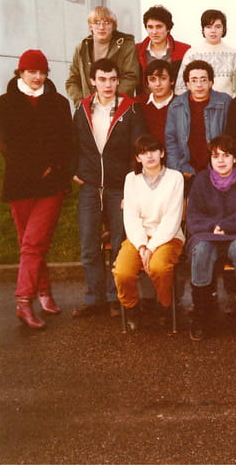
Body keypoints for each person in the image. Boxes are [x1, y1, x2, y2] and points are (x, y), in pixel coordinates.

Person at [0, 49, 72, 329]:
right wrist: (35, 168)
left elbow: (67, 141)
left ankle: (23, 301)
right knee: (29, 244)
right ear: (20, 72)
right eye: (31, 72)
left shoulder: (59, 103)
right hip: (21, 184)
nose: (37, 77)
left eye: (42, 72)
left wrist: (54, 167)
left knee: (34, 243)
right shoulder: (3, 103)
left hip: (51, 183)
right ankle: (44, 291)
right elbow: (6, 144)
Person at [71, 58, 147, 318]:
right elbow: (74, 142)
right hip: (91, 186)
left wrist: (132, 181)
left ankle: (117, 298)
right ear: (93, 81)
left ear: (118, 81)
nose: (108, 85)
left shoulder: (131, 109)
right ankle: (95, 298)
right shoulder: (82, 108)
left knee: (119, 243)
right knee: (89, 244)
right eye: (102, 79)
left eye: (112, 79)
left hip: (119, 187)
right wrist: (75, 171)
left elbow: (139, 147)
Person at [186, 135, 236, 340]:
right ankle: (200, 315)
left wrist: (226, 226)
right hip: (208, 234)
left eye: (226, 155)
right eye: (215, 156)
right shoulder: (201, 180)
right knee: (201, 250)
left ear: (235, 158)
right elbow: (193, 216)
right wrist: (213, 227)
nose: (221, 160)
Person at [112, 134, 184, 331]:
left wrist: (151, 248)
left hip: (168, 237)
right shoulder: (131, 180)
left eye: (153, 150)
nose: (149, 156)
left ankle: (165, 307)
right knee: (122, 272)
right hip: (138, 238)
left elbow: (172, 219)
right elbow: (131, 217)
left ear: (162, 153)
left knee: (159, 268)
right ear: (138, 158)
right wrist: (142, 246)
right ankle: (132, 309)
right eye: (143, 153)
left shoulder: (175, 178)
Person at [165, 59, 230, 191]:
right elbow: (171, 139)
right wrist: (177, 168)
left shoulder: (225, 102)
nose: (199, 85)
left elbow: (232, 137)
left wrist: (223, 165)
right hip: (187, 170)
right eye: (194, 80)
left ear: (211, 82)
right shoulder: (176, 105)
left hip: (217, 169)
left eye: (203, 80)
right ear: (187, 84)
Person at [66, 6, 140, 106]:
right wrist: (82, 103)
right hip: (89, 108)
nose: (101, 27)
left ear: (113, 26)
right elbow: (72, 81)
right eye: (96, 22)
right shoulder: (81, 49)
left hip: (118, 106)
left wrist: (109, 102)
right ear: (90, 26)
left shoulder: (126, 46)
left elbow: (131, 77)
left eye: (107, 23)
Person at [175, 9, 236, 98]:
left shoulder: (233, 54)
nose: (213, 31)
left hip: (227, 104)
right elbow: (180, 88)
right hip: (197, 104)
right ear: (203, 30)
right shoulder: (192, 54)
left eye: (218, 27)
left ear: (224, 29)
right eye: (208, 27)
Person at [135, 5, 190, 95]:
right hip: (145, 101)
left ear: (168, 28)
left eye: (159, 27)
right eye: (150, 27)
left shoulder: (184, 50)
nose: (154, 32)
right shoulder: (136, 50)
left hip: (175, 100)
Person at [137, 60, 176, 144]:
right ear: (147, 83)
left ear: (172, 80)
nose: (158, 84)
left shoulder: (182, 104)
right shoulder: (138, 103)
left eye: (163, 78)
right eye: (152, 79)